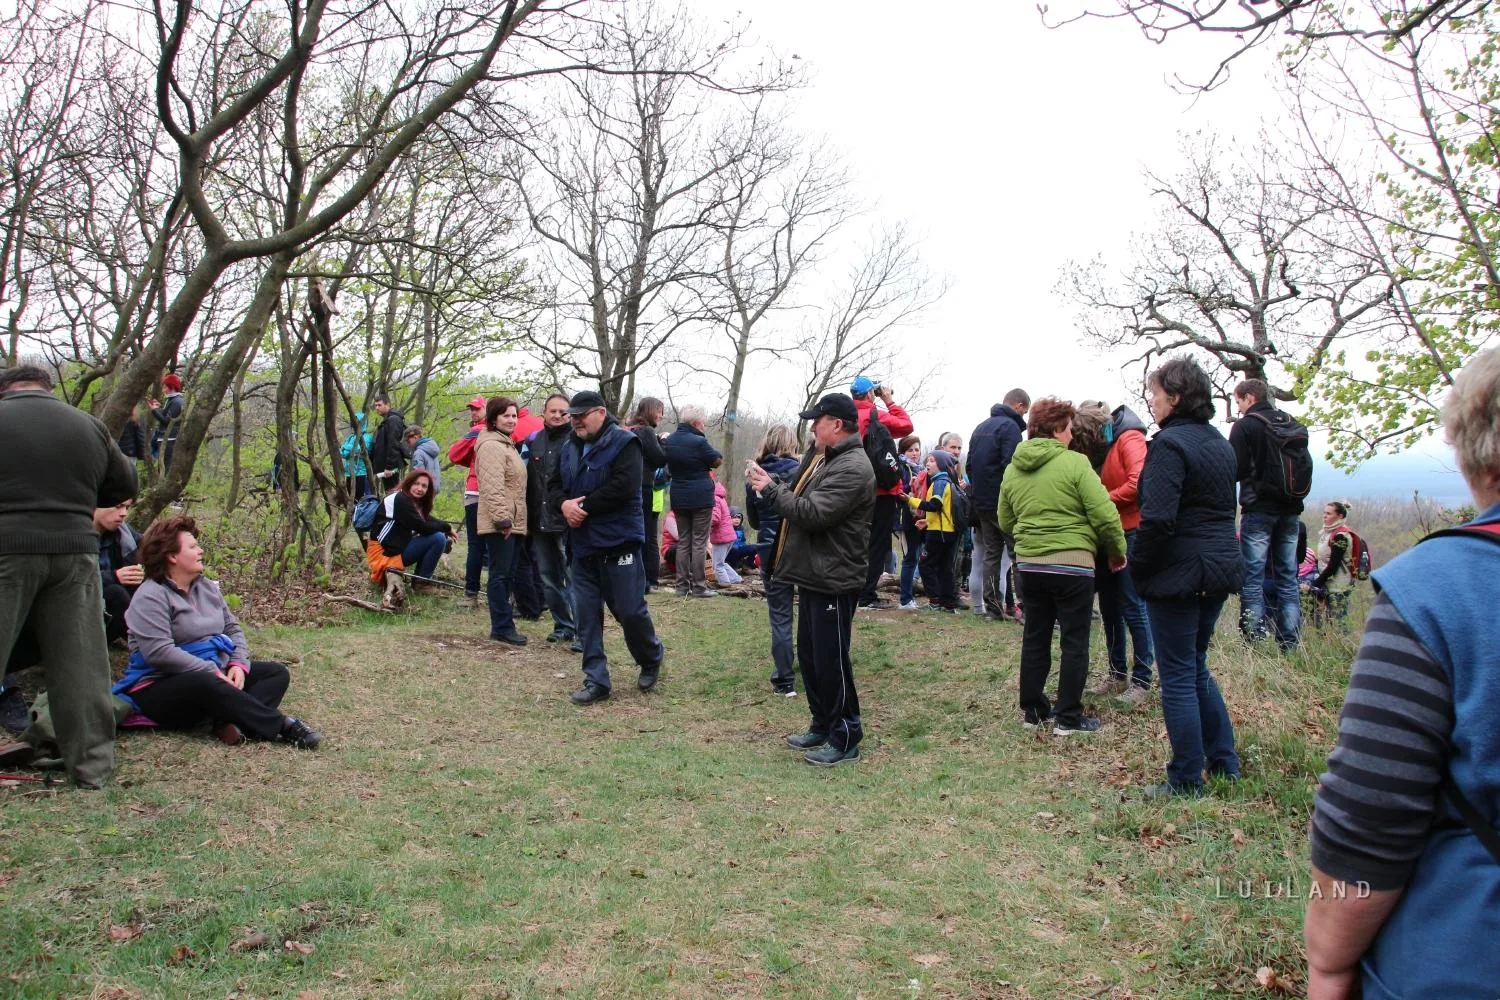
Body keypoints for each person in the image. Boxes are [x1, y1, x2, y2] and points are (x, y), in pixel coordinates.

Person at [1303, 346, 1500, 1000]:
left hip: (1465, 956)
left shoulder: (1441, 589)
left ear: (1470, 448)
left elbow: (1371, 809)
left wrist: (1329, 961)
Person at [0, 364, 137, 787]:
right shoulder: (88, 426)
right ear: (48, 390)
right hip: (76, 552)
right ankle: (91, 767)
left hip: (7, 549)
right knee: (80, 665)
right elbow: (125, 482)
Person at [1131, 358, 1244, 795]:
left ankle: (1184, 780)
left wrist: (1140, 567)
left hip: (1178, 572)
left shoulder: (1169, 446)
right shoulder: (1219, 444)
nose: (1152, 402)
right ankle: (1224, 763)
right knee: (1195, 666)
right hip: (1218, 566)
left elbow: (1157, 520)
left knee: (1177, 673)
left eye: (1156, 394)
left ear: (1175, 397)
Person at [116, 516, 320, 749]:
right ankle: (283, 726)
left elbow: (232, 628)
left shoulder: (205, 587)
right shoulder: (150, 595)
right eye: (193, 547)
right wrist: (212, 671)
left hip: (211, 674)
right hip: (160, 686)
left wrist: (237, 664)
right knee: (205, 682)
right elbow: (159, 653)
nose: (200, 550)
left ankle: (230, 723)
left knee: (275, 673)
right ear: (172, 556)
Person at [747, 394, 874, 765]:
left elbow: (813, 513)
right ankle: (822, 724)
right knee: (813, 657)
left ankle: (846, 736)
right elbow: (800, 499)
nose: (812, 427)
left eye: (817, 421)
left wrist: (770, 489)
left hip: (836, 576)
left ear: (836, 424)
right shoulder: (825, 458)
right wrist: (770, 485)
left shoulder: (853, 466)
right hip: (816, 573)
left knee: (832, 660)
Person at [999, 397, 1125, 736]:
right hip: (1074, 566)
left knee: (1035, 637)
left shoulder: (1013, 468)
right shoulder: (1076, 464)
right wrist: (1116, 550)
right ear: (1056, 429)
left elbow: (1004, 519)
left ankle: (1033, 712)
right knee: (1074, 640)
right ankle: (1068, 717)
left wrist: (1030, 543)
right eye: (1069, 428)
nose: (1072, 434)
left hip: (1031, 567)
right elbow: (1104, 514)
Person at [552, 391, 664, 704]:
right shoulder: (568, 446)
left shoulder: (626, 443)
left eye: (580, 415)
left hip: (618, 542)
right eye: (571, 416)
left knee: (629, 610)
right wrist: (563, 505)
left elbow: (624, 487)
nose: (574, 421)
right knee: (587, 616)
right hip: (582, 545)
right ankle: (596, 680)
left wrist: (582, 506)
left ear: (601, 412)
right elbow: (553, 483)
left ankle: (651, 656)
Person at [1075, 401, 1155, 708]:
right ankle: (1116, 673)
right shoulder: (1101, 449)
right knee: (1109, 605)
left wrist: (1101, 501)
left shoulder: (1129, 438)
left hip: (1132, 532)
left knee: (1133, 605)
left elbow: (1139, 482)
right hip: (1106, 533)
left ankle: (1142, 680)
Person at [1228, 377, 1306, 649]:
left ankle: (1254, 643)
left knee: (1253, 577)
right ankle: (1290, 643)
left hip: (1258, 509)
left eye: (1238, 401)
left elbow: (1234, 470)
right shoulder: (1290, 422)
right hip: (1291, 510)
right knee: (1288, 578)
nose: (1237, 408)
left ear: (1249, 397)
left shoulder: (1245, 426)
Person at [745, 425, 804, 696]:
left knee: (780, 617)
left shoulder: (754, 474)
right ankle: (811, 668)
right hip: (801, 548)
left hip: (770, 550)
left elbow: (754, 520)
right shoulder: (803, 471)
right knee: (810, 613)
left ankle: (784, 680)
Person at [851, 376, 914, 610]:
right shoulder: (873, 415)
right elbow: (906, 426)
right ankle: (866, 595)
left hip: (853, 490)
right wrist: (888, 399)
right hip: (881, 490)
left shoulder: (844, 417)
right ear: (870, 394)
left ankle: (852, 589)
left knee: (854, 541)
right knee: (878, 543)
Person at [968, 391, 1030, 617]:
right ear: (1020, 405)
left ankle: (992, 607)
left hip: (981, 503)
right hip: (1003, 503)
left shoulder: (980, 427)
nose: (1024, 415)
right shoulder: (1010, 428)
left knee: (991, 554)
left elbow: (969, 467)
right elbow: (1012, 466)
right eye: (1025, 411)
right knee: (1018, 551)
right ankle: (1026, 606)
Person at [474, 397, 529, 646]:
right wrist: (502, 520)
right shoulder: (491, 446)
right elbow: (491, 486)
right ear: (493, 418)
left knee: (507, 575)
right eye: (506, 415)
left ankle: (505, 624)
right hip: (502, 522)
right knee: (500, 575)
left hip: (513, 520)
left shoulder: (507, 445)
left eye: (514, 415)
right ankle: (501, 627)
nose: (511, 420)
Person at [524, 394, 577, 646]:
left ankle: (583, 630)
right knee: (548, 577)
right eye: (552, 411)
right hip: (538, 519)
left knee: (574, 576)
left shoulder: (577, 440)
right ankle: (562, 625)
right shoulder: (533, 440)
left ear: (570, 414)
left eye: (563, 412)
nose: (557, 415)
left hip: (568, 520)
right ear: (544, 412)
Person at [664, 405, 722, 598]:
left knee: (683, 542)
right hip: (700, 497)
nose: (704, 426)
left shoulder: (669, 441)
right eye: (703, 422)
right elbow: (717, 460)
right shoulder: (699, 442)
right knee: (698, 541)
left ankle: (681, 586)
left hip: (679, 495)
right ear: (697, 423)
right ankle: (699, 586)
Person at [370, 469, 452, 582]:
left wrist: (447, 527)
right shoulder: (401, 499)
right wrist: (446, 528)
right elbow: (423, 528)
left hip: (391, 549)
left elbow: (425, 518)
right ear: (409, 483)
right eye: (416, 483)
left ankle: (419, 580)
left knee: (438, 534)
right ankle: (421, 582)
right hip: (382, 555)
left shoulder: (406, 499)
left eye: (424, 486)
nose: (420, 488)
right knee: (438, 538)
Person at [909, 450, 963, 612]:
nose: (928, 463)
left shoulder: (939, 482)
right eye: (928, 460)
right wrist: (927, 521)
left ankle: (934, 600)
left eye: (932, 461)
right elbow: (941, 511)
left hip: (938, 533)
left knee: (926, 565)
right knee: (945, 567)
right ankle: (949, 603)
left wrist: (910, 499)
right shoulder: (947, 481)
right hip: (948, 532)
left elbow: (934, 505)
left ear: (941, 464)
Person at [449, 397, 488, 606]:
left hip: (476, 492)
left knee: (475, 545)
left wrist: (471, 462)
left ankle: (471, 594)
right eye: (471, 409)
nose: (473, 412)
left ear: (487, 409)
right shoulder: (503, 430)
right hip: (497, 492)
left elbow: (454, 454)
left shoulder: (478, 430)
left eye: (477, 409)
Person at [626, 397, 669, 591]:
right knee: (649, 535)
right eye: (659, 411)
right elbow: (660, 459)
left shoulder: (628, 430)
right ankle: (650, 580)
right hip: (644, 486)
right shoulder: (647, 431)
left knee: (633, 533)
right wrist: (663, 443)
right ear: (650, 411)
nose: (661, 415)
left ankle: (633, 577)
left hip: (628, 487)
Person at [94, 500, 142, 645]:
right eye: (118, 506)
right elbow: (71, 577)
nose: (123, 513)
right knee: (117, 594)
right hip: (82, 606)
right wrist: (114, 576)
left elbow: (148, 545)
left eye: (127, 507)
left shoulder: (122, 531)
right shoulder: (74, 534)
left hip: (109, 610)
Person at [1307, 500, 1356, 624]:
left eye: (1329, 514)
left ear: (1340, 516)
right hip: (1330, 585)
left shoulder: (1341, 536)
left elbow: (1333, 565)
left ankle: (1342, 642)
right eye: (1324, 513)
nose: (1324, 516)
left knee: (1337, 622)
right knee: (1329, 621)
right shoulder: (1329, 533)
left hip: (1339, 586)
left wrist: (1315, 583)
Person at [896, 436, 925, 611]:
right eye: (910, 450)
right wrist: (910, 487)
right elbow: (899, 491)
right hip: (905, 519)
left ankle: (909, 597)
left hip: (919, 519)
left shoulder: (921, 469)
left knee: (915, 557)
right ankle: (905, 600)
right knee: (909, 558)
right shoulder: (901, 468)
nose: (914, 454)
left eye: (917, 449)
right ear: (903, 452)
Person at [369, 392, 408, 493]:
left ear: (387, 405)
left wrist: (389, 467)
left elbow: (393, 444)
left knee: (392, 492)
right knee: (390, 492)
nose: (377, 408)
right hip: (385, 465)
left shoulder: (393, 420)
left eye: (379, 405)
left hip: (390, 466)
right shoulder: (387, 420)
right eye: (375, 405)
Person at [148, 372, 186, 470]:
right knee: (161, 465)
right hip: (165, 438)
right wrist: (159, 408)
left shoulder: (176, 402)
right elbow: (166, 415)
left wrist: (154, 410)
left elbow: (167, 421)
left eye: (165, 386)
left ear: (171, 386)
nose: (163, 389)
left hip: (169, 439)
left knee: (165, 466)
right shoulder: (171, 400)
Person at [708, 477, 743, 585]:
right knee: (721, 562)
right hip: (728, 536)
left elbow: (715, 518)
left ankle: (724, 583)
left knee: (717, 565)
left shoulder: (714, 498)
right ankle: (735, 578)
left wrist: (705, 525)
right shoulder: (720, 497)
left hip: (721, 537)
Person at [340, 413, 374, 500]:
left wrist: (346, 447)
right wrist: (347, 449)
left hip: (362, 473)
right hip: (349, 473)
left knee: (362, 499)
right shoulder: (351, 437)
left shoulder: (366, 437)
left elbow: (360, 449)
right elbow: (342, 453)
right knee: (352, 500)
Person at [405, 425, 441, 492]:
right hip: (434, 488)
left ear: (415, 437)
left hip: (424, 490)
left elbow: (419, 474)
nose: (408, 444)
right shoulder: (432, 449)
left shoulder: (418, 453)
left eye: (408, 440)